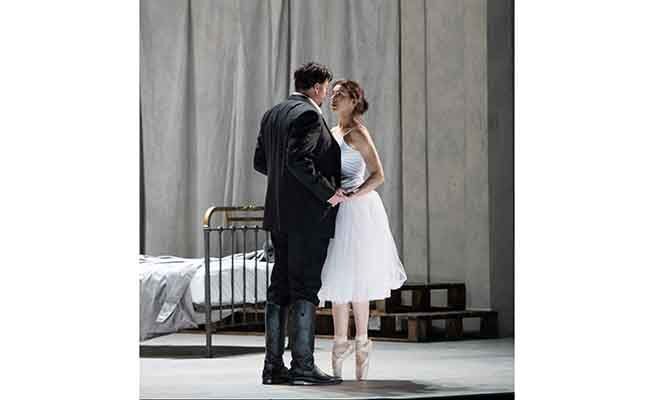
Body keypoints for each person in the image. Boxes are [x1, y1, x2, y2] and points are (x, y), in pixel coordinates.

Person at [253, 62, 346, 385]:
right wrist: (328, 192)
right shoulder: (308, 116)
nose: (325, 94)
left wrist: (285, 183)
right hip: (306, 217)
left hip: (278, 215)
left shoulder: (272, 114)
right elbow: (297, 160)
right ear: (318, 87)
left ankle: (272, 367)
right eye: (325, 88)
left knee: (279, 288)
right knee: (305, 287)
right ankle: (303, 366)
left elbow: (261, 162)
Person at [318, 80, 407, 381]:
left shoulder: (357, 132)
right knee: (338, 276)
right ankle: (340, 341)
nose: (334, 98)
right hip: (337, 208)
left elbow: (378, 175)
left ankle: (362, 340)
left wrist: (353, 194)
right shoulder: (333, 131)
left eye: (340, 95)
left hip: (357, 209)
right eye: (333, 94)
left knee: (357, 276)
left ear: (354, 100)